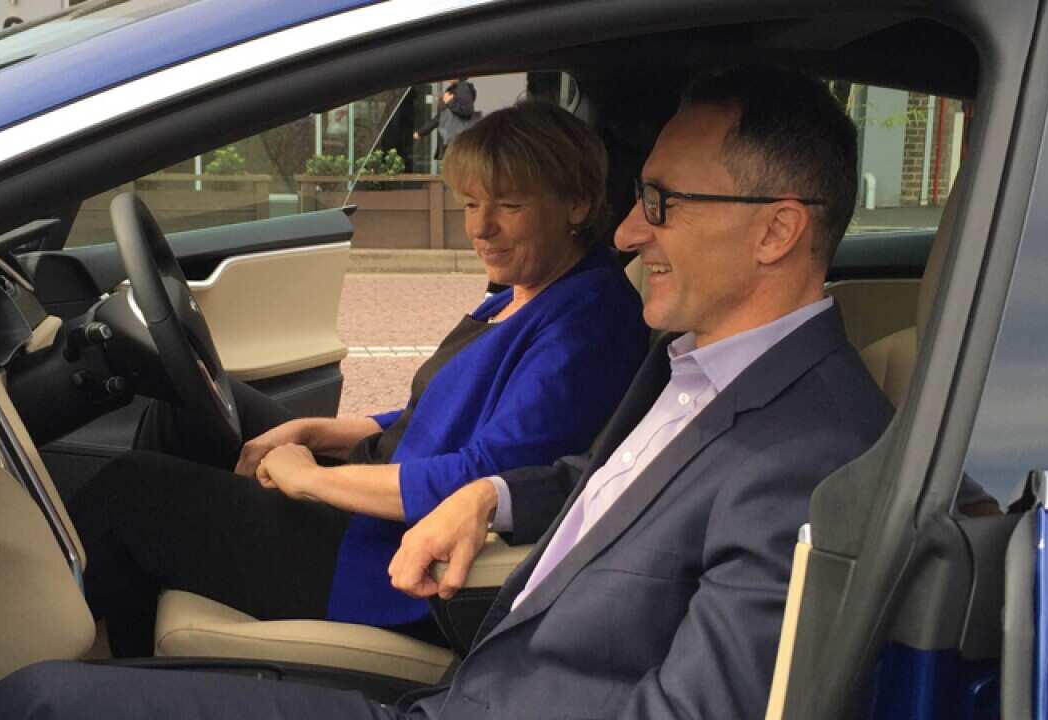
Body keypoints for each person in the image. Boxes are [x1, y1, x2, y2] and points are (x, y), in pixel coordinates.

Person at [0, 64, 888, 719]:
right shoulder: (694, 366)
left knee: (43, 694)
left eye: (662, 203)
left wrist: (321, 479)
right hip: (477, 666)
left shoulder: (805, 451)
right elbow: (593, 481)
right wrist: (492, 493)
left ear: (775, 233)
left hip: (457, 651)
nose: (630, 236)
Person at [67, 101, 650, 657]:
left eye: (509, 207)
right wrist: (325, 431)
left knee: (128, 493)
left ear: (577, 204)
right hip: (375, 496)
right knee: (184, 407)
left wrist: (309, 482)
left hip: (386, 560)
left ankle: (97, 663)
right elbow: (446, 410)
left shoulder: (588, 325)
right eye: (471, 205)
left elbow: (485, 477)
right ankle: (137, 620)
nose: (482, 228)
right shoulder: (523, 291)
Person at [414, 78, 480, 159]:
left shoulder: (462, 87)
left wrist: (449, 102)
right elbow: (440, 118)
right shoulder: (453, 89)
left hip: (457, 142)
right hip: (452, 141)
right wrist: (422, 132)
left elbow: (467, 111)